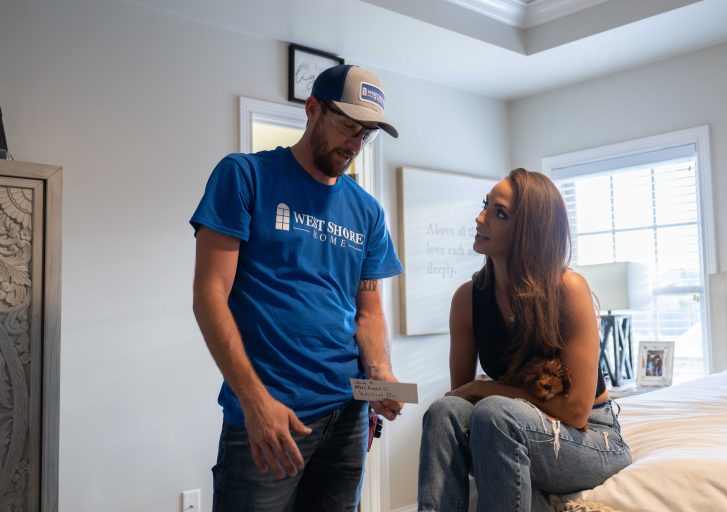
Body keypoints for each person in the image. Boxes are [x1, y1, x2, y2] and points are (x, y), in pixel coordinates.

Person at [190, 64, 404, 512]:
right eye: (348, 127)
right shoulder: (244, 176)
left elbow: (369, 313)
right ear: (312, 109)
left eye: (366, 135)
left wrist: (381, 372)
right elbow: (210, 295)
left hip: (346, 414)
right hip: (271, 412)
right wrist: (254, 402)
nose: (355, 144)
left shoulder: (367, 212)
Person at [417, 169, 632, 512]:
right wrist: (477, 393)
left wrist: (483, 389)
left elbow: (575, 412)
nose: (480, 218)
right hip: (511, 427)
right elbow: (460, 402)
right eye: (485, 206)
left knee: (494, 411)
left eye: (498, 213)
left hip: (593, 436)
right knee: (443, 411)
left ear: (528, 232)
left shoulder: (568, 290)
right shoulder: (467, 299)